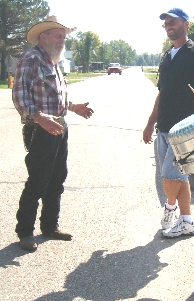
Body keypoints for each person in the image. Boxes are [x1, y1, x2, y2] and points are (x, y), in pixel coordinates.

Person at [12, 16, 94, 251]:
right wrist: (39, 117)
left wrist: (74, 106)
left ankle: (49, 226)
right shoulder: (30, 59)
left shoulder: (52, 60)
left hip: (59, 126)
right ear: (43, 36)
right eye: (58, 35)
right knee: (38, 180)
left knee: (57, 178)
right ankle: (25, 232)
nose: (62, 40)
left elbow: (54, 96)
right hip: (40, 129)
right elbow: (20, 96)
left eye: (64, 36)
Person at [143, 8, 194, 238]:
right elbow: (162, 93)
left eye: (172, 22)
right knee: (180, 177)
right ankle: (187, 221)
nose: (168, 26)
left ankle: (170, 208)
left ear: (186, 24)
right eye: (165, 24)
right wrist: (149, 123)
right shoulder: (167, 56)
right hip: (164, 127)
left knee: (169, 176)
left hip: (185, 131)